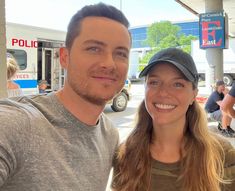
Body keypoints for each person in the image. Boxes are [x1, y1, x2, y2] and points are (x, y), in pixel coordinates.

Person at [0, 3, 131, 190]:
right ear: (64, 57)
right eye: (94, 48)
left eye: (121, 53)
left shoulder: (109, 134)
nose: (109, 63)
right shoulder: (17, 124)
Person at [112, 48, 235, 191]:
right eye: (154, 82)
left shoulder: (221, 154)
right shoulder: (126, 153)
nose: (164, 92)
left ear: (193, 94)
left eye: (178, 84)